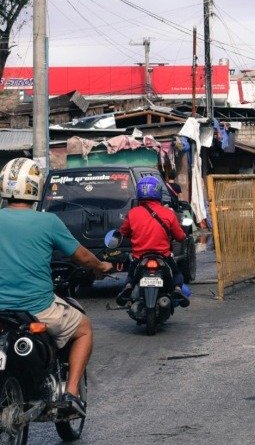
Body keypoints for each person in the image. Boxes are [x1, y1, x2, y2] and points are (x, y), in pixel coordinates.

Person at [0, 158, 113, 417]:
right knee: (84, 328)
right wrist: (100, 267)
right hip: (37, 309)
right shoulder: (48, 222)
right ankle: (71, 394)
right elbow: (82, 256)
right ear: (35, 188)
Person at [116, 176, 189, 307]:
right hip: (163, 256)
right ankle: (177, 289)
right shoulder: (168, 213)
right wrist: (183, 236)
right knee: (177, 274)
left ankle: (128, 287)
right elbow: (179, 236)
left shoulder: (132, 213)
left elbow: (123, 232)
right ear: (158, 192)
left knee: (131, 276)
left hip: (139, 256)